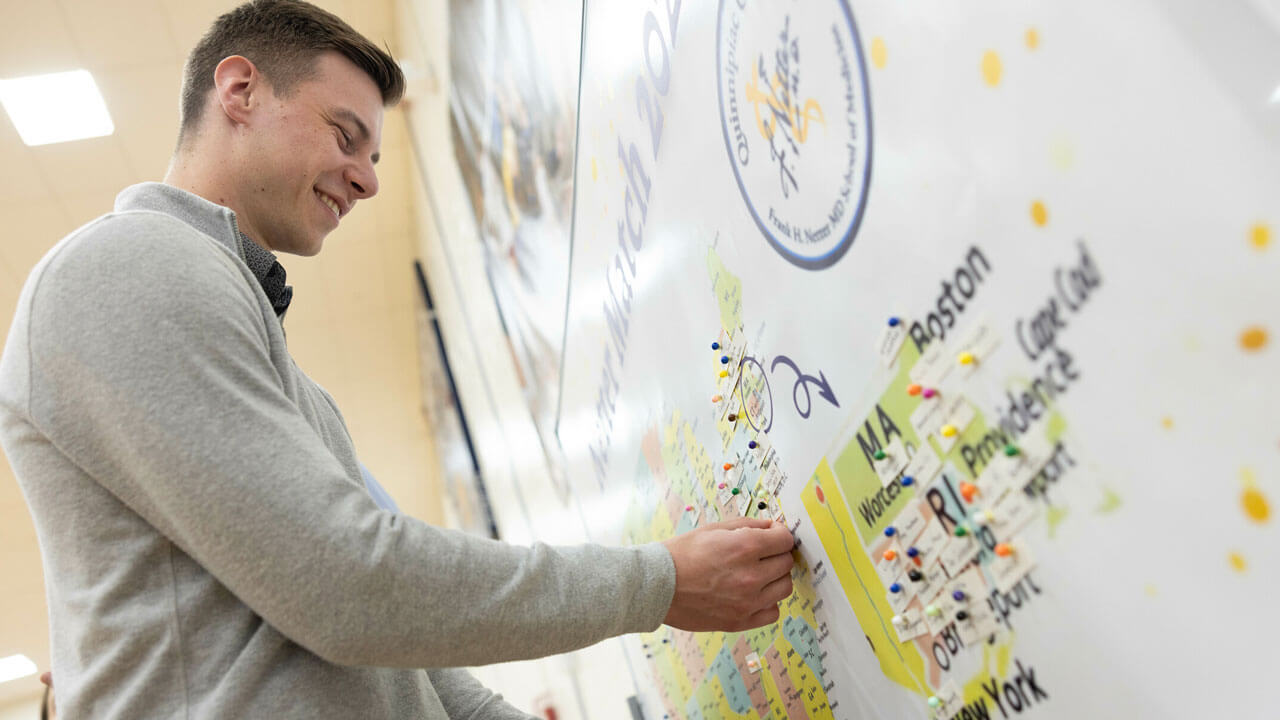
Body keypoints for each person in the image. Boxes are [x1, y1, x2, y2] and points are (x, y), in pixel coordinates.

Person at [0, 2, 796, 718]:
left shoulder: (280, 369)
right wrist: (657, 583)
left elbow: (417, 672)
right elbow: (346, 583)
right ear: (238, 91)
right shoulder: (129, 264)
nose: (369, 179)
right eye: (347, 136)